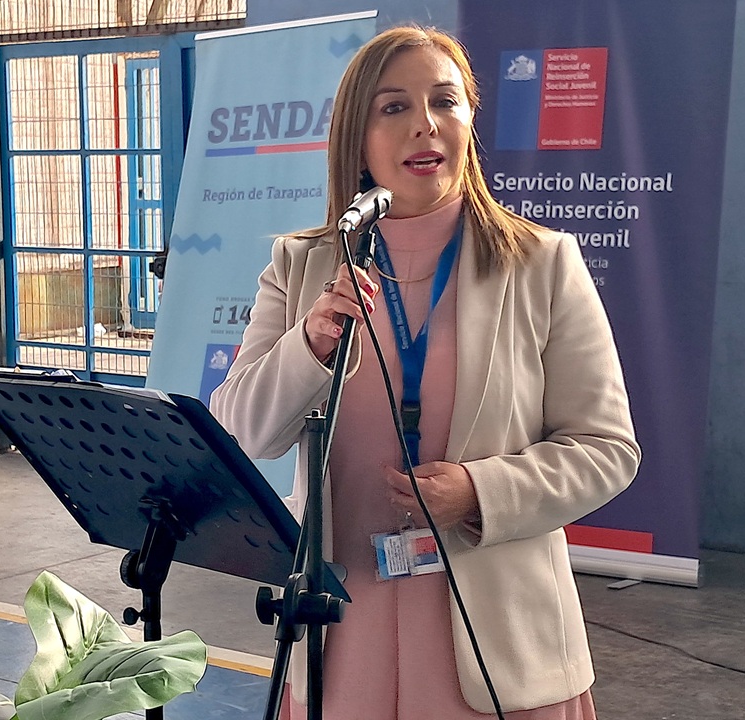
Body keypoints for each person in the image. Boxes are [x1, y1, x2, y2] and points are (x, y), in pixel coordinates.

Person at [210, 24, 640, 720]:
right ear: (356, 139)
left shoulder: (542, 263)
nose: (425, 124)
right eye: (394, 107)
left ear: (469, 121)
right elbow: (244, 429)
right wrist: (309, 344)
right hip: (341, 643)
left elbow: (606, 450)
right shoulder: (300, 265)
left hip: (499, 648)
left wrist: (480, 492)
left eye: (445, 101)